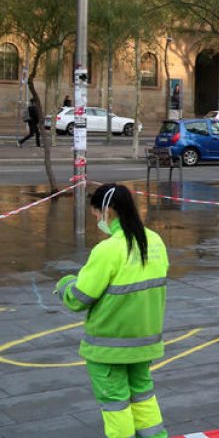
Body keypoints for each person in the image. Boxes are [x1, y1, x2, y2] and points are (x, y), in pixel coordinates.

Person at [55, 184, 169, 438]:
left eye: (95, 214)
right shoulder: (155, 241)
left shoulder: (108, 250)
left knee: (115, 404)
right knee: (143, 396)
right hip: (144, 342)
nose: (96, 219)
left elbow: (79, 298)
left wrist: (64, 285)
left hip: (109, 347)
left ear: (107, 211)